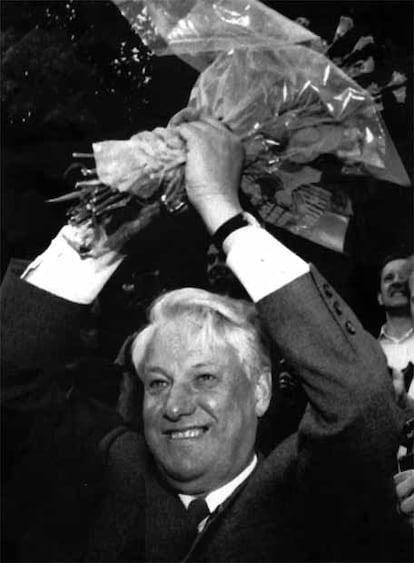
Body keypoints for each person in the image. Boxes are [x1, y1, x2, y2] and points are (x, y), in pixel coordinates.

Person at [1, 111, 410, 562]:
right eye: (158, 382)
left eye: (205, 378)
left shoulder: (311, 492)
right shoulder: (106, 473)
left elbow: (360, 398)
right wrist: (110, 223)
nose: (174, 407)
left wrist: (223, 211)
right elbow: (9, 378)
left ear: (260, 390)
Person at [377, 253, 414, 403]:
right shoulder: (368, 352)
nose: (397, 280)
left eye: (404, 275)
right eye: (389, 277)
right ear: (379, 297)